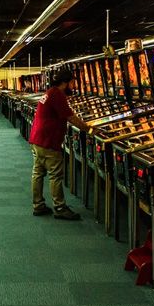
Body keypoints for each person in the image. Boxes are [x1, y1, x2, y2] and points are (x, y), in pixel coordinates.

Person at [28, 69, 90, 220]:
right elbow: (71, 117)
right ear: (65, 82)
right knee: (55, 175)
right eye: (73, 82)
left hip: (37, 139)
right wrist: (90, 129)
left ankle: (38, 205)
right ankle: (60, 207)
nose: (74, 86)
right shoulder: (57, 95)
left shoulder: (50, 92)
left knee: (38, 173)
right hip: (48, 141)